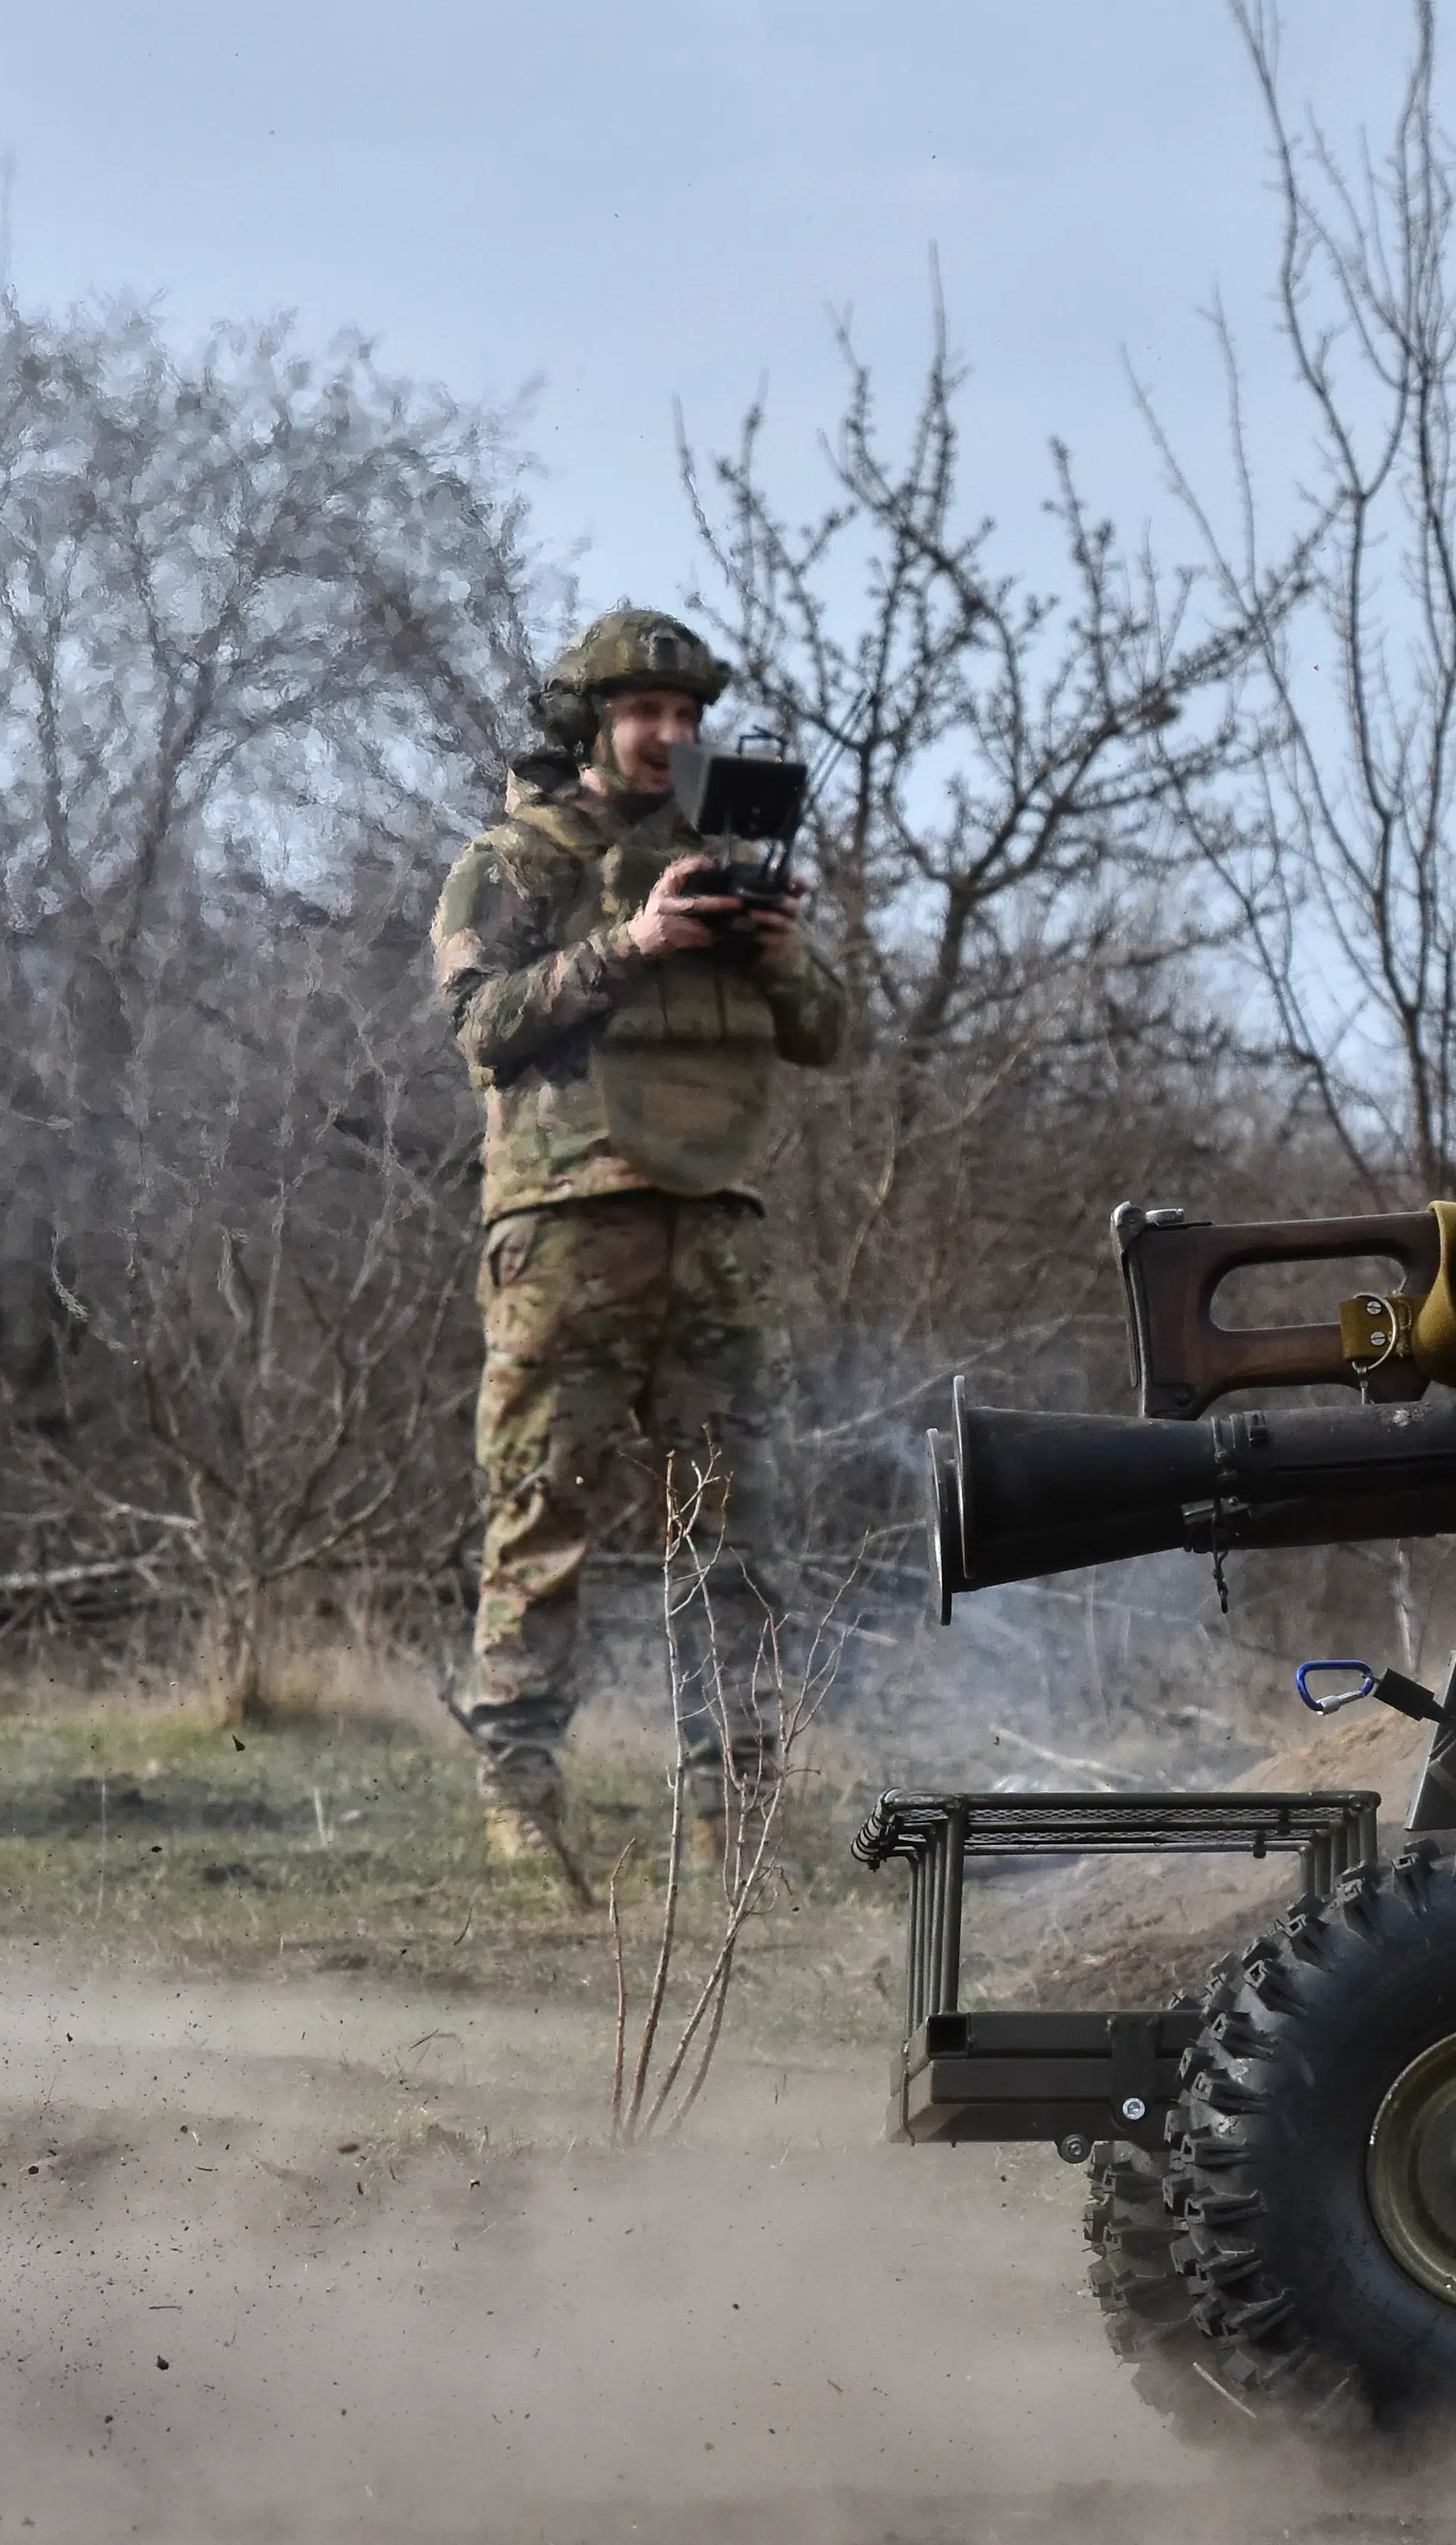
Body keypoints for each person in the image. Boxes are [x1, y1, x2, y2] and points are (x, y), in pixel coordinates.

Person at [430, 608, 852, 1869]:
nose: (667, 735)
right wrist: (630, 943)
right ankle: (519, 1804)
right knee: (538, 1516)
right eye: (641, 714)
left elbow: (825, 1031)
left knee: (730, 1535)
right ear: (593, 722)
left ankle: (734, 1817)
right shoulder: (520, 856)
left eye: (683, 716)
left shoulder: (729, 854)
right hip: (564, 1229)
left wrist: (774, 956)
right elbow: (481, 1026)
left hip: (709, 1226)